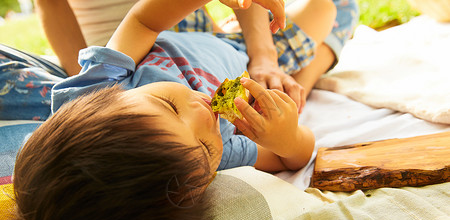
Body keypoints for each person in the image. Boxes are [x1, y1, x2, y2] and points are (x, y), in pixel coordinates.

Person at [13, 0, 322, 220]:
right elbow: (289, 158)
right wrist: (285, 136)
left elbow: (144, 21)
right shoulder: (215, 157)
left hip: (181, 26)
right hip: (245, 56)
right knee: (329, 8)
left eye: (169, 107)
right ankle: (300, 85)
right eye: (203, 147)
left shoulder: (101, 84)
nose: (204, 118)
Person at [34, 0, 358, 108]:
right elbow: (291, 153)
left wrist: (264, 58)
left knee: (331, 7)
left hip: (193, 43)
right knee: (337, 7)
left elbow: (145, 21)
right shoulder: (217, 140)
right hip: (128, 51)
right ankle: (291, 90)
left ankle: (291, 88)